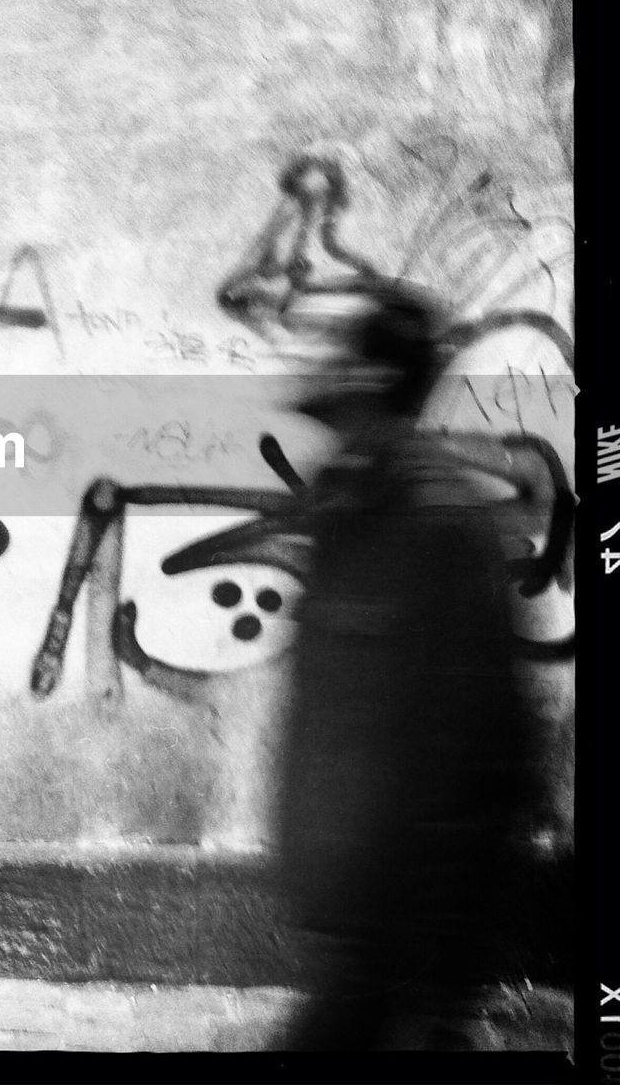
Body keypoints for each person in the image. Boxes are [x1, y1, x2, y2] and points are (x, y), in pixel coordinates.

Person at [276, 281, 532, 1051]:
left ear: (376, 379)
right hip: (355, 917)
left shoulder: (437, 522)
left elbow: (487, 750)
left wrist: (444, 980)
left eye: (341, 351)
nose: (318, 363)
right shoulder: (349, 502)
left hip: (399, 934)